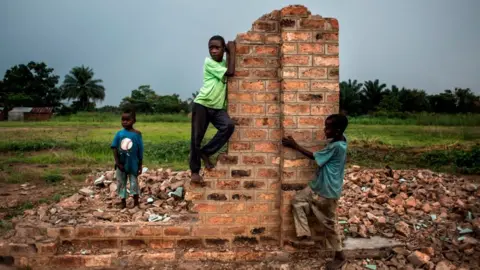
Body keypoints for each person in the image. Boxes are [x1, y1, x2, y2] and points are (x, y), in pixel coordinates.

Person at [282, 114, 348, 270]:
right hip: (317, 185)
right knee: (297, 201)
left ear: (337, 131)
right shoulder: (342, 139)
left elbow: (314, 157)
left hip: (327, 191)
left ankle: (340, 256)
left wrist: (295, 145)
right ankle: (304, 233)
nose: (325, 130)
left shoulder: (336, 147)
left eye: (328, 128)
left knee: (329, 224)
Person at [190, 35, 236, 184]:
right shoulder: (209, 62)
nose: (214, 51)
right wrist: (232, 51)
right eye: (211, 48)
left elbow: (229, 67)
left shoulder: (223, 63)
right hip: (202, 104)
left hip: (217, 107)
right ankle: (195, 172)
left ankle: (206, 152)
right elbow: (230, 72)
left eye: (218, 48)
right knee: (196, 138)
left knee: (228, 126)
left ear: (223, 49)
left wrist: (229, 54)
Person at [111, 108, 144, 209]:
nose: (124, 122)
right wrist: (117, 162)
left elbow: (140, 150)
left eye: (127, 120)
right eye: (123, 120)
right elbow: (114, 148)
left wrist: (140, 164)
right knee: (121, 182)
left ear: (133, 121)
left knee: (134, 183)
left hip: (133, 163)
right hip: (121, 164)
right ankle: (123, 202)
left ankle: (136, 202)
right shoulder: (119, 134)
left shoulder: (137, 134)